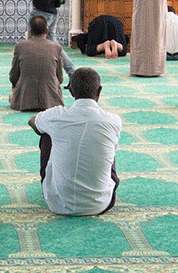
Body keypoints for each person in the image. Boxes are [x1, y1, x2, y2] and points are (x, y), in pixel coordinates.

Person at [30, 67, 122, 216]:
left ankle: (52, 186)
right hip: (100, 204)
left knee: (46, 134)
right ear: (99, 91)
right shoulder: (113, 120)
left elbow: (32, 122)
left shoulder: (57, 115)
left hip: (58, 204)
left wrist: (49, 125)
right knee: (106, 141)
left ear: (71, 92)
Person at [10, 13, 72, 111]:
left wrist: (16, 88)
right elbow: (59, 78)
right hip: (51, 101)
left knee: (12, 95)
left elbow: (13, 76)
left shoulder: (19, 46)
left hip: (24, 101)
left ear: (30, 31)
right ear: (47, 31)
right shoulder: (56, 47)